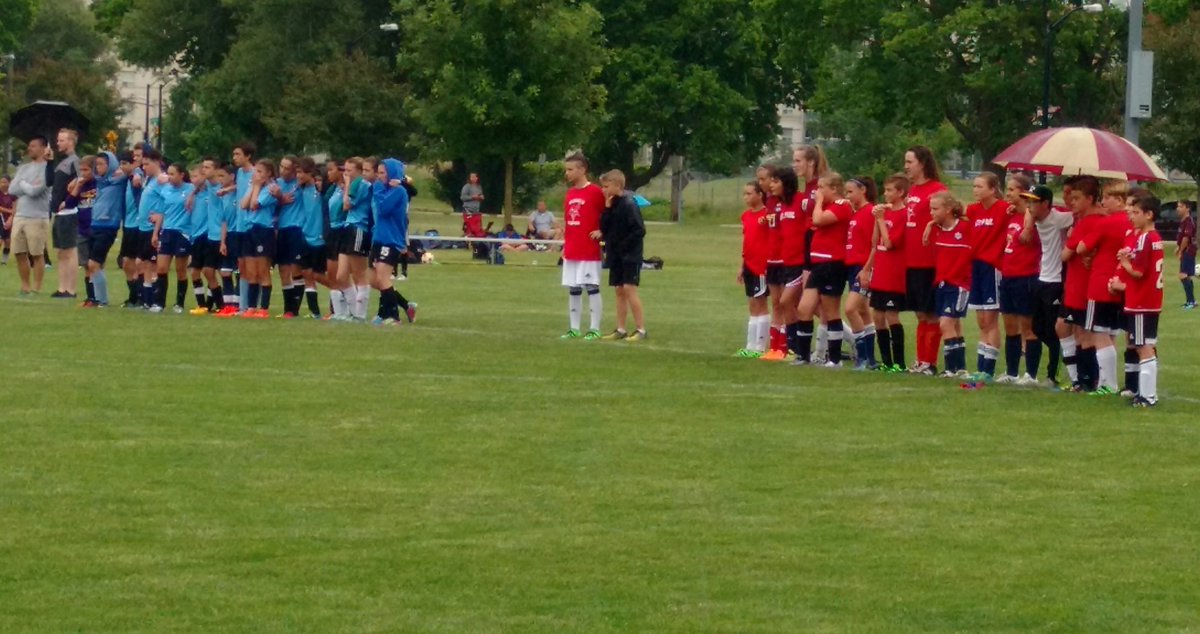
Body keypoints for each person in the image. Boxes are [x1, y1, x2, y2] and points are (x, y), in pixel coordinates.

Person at [1075, 181, 1133, 396]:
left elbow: (1082, 247)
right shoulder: (1132, 223)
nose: (1103, 201)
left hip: (1100, 284)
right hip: (1122, 285)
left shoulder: (1106, 223)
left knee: (1099, 333)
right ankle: (1116, 382)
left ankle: (1108, 383)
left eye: (1107, 197)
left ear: (1119, 200)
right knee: (1112, 334)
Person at [793, 172, 853, 366]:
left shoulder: (842, 206)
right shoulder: (827, 207)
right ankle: (804, 356)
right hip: (818, 264)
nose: (818, 192)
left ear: (834, 189)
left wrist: (818, 203)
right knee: (803, 309)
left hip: (832, 264)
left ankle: (835, 359)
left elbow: (818, 220)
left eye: (821, 188)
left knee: (830, 311)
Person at [1110, 195, 1164, 407]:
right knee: (1145, 344)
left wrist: (1124, 262)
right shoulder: (1155, 238)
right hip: (1151, 300)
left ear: (1149, 215)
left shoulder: (1145, 238)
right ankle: (1147, 393)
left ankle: (1148, 396)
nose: (1131, 216)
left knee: (1142, 346)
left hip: (1141, 301)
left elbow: (1138, 273)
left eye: (1136, 213)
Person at [903, 146, 949, 375]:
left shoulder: (937, 190)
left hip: (929, 261)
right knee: (920, 313)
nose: (906, 166)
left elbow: (949, 218)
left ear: (922, 163)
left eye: (909, 161)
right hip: (911, 261)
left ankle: (930, 362)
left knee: (931, 313)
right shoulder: (912, 190)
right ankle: (921, 360)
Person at [997, 174, 1043, 385]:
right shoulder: (1010, 215)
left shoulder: (1031, 217)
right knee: (1010, 326)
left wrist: (1028, 219)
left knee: (1028, 326)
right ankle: (1011, 372)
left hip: (1026, 276)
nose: (1008, 193)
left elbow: (1029, 239)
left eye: (1012, 190)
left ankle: (1031, 375)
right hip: (1008, 276)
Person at [1061, 176, 1105, 392]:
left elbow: (1065, 254)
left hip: (1081, 286)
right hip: (1087, 285)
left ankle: (1087, 380)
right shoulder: (1100, 220)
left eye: (1077, 198)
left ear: (1090, 198)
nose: (1072, 202)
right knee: (1084, 332)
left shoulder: (1088, 222)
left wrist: (1072, 239)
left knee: (1084, 333)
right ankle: (1086, 379)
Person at [1026, 184, 1072, 388]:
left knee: (1054, 330)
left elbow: (1078, 215)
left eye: (1033, 202)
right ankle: (1058, 354)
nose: (1029, 206)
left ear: (1045, 204)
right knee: (1037, 327)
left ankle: (1053, 374)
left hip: (1055, 281)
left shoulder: (1057, 219)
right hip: (1041, 279)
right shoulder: (1036, 218)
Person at [965, 172, 1008, 379]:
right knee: (981, 319)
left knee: (991, 319)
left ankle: (988, 369)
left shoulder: (1003, 208)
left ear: (992, 189)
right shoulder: (973, 210)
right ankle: (980, 367)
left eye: (980, 186)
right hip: (976, 267)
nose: (975, 190)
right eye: (974, 186)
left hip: (993, 268)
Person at [597, 169, 647, 341]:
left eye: (606, 186)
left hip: (630, 255)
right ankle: (621, 328)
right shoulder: (612, 204)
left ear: (617, 185)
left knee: (629, 288)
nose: (603, 190)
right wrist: (607, 208)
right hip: (616, 255)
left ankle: (641, 330)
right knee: (619, 290)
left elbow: (639, 230)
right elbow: (604, 228)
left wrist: (623, 246)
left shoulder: (629, 204)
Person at [559, 152, 605, 340]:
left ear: (582, 169)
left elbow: (607, 214)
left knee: (591, 287)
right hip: (572, 248)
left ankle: (594, 328)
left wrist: (603, 231)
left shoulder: (595, 192)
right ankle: (574, 328)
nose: (567, 173)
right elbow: (568, 222)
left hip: (588, 249)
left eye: (570, 170)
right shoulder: (570, 193)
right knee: (573, 288)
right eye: (566, 170)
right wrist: (565, 245)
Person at [926, 191, 972, 377]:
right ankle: (960, 367)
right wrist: (930, 225)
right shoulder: (936, 229)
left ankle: (950, 368)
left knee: (945, 324)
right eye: (931, 209)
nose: (932, 212)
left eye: (936, 209)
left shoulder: (965, 228)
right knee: (954, 325)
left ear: (949, 209)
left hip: (959, 285)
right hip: (942, 284)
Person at [868, 174, 910, 372]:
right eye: (885, 190)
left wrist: (882, 220)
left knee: (892, 316)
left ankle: (899, 362)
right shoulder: (885, 212)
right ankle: (885, 361)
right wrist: (877, 221)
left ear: (900, 192)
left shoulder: (904, 214)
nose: (886, 194)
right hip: (881, 271)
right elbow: (876, 241)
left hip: (894, 272)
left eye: (890, 190)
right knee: (877, 316)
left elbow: (891, 243)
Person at [369, 158, 418, 325]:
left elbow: (383, 209)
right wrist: (385, 187)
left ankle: (393, 316)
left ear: (392, 174)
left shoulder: (400, 192)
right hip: (378, 237)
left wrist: (396, 188)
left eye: (383, 173)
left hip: (391, 239)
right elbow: (379, 201)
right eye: (379, 173)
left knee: (383, 278)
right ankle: (403, 305)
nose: (379, 176)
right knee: (374, 280)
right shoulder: (379, 187)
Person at [760, 166, 801, 361]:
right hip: (772, 260)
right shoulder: (769, 202)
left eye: (768, 179)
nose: (765, 184)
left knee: (790, 304)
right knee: (777, 303)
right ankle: (775, 347)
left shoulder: (791, 202)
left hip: (788, 261)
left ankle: (788, 346)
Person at [148, 163, 195, 313]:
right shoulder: (165, 190)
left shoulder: (190, 189)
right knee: (161, 268)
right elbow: (162, 213)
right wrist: (156, 233)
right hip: (167, 232)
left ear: (182, 175)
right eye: (168, 173)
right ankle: (159, 303)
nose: (169, 177)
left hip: (182, 233)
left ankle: (179, 303)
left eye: (173, 174)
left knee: (181, 270)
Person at [9, 136, 51, 295]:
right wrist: (25, 184)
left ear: (43, 148)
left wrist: (22, 183)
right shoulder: (24, 168)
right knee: (19, 252)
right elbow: (12, 189)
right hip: (20, 215)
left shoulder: (48, 169)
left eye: (33, 146)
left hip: (37, 217)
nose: (30, 148)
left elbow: (36, 191)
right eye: (29, 145)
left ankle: (37, 287)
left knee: (36, 253)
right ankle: (25, 286)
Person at [844, 176, 878, 370]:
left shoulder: (870, 212)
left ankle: (863, 356)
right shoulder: (855, 213)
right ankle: (871, 359)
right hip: (852, 268)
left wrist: (867, 269)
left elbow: (875, 244)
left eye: (850, 192)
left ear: (862, 190)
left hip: (863, 268)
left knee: (850, 309)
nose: (848, 196)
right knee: (864, 311)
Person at [333, 157, 371, 321]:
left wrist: (347, 185)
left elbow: (347, 205)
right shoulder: (355, 185)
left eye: (349, 171)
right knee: (341, 276)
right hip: (347, 227)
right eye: (345, 170)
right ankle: (352, 310)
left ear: (359, 171)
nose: (346, 174)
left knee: (358, 274)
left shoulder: (362, 184)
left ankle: (360, 314)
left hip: (358, 229)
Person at [240, 159, 279, 318]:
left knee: (263, 270)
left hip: (263, 230)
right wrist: (253, 187)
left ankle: (264, 308)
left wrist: (255, 186)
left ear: (269, 173)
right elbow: (244, 205)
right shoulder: (254, 186)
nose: (256, 175)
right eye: (255, 172)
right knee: (251, 271)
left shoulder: (271, 188)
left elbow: (255, 204)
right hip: (250, 229)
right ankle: (251, 307)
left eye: (260, 172)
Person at [735, 180, 770, 357]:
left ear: (760, 194)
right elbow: (747, 242)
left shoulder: (767, 215)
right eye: (744, 194)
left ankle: (760, 346)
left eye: (749, 194)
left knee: (760, 304)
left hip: (761, 266)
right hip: (749, 264)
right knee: (751, 304)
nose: (746, 197)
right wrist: (742, 265)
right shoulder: (746, 216)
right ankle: (750, 345)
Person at [61, 156, 98, 304]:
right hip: (82, 229)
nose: (83, 173)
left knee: (94, 264)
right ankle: (90, 297)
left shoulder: (98, 184)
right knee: (86, 265)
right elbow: (70, 203)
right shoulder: (81, 185)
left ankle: (98, 296)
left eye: (86, 170)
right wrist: (76, 186)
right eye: (81, 170)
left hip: (96, 227)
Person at [49, 129, 80, 299]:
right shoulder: (62, 162)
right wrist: (49, 161)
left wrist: (69, 199)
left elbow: (82, 180)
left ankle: (71, 289)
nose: (58, 143)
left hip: (69, 211)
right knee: (61, 251)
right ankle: (62, 288)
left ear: (70, 142)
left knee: (70, 250)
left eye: (61, 140)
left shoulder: (75, 161)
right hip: (59, 213)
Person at [296, 157, 328, 318]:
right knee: (307, 274)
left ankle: (342, 290)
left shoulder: (320, 191)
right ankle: (315, 312)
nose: (298, 175)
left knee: (318, 275)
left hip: (320, 238)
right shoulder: (301, 190)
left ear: (309, 173)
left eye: (300, 172)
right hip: (305, 237)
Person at [117, 151, 143, 306]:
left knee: (135, 263)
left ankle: (139, 296)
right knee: (126, 263)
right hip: (128, 225)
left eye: (125, 163)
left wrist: (137, 173)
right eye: (121, 163)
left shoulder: (136, 177)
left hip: (137, 226)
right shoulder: (126, 179)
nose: (122, 167)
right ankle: (134, 296)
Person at [1175, 200, 1196, 309]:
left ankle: (1191, 302)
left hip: (1188, 251)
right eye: (1177, 206)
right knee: (1186, 275)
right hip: (1186, 251)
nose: (1178, 209)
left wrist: (1180, 251)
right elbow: (1181, 237)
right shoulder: (1183, 221)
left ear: (1187, 208)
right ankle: (1191, 301)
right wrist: (1177, 247)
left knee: (1183, 275)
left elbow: (1186, 238)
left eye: (1180, 206)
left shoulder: (1189, 221)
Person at [460, 172, 484, 237]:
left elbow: (480, 195)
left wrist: (481, 197)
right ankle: (468, 240)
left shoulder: (479, 187)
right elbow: (463, 197)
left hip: (476, 210)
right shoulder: (466, 187)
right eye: (471, 177)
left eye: (474, 177)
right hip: (468, 210)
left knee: (477, 228)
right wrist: (472, 197)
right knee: (469, 227)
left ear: (477, 178)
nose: (473, 179)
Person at [0, 176, 13, 265]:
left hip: (10, 219)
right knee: (0, 240)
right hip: (0, 218)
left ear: (9, 183)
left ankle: (4, 260)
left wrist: (11, 216)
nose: (3, 184)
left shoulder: (13, 194)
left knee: (7, 241)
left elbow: (16, 206)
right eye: (1, 182)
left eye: (5, 182)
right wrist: (9, 211)